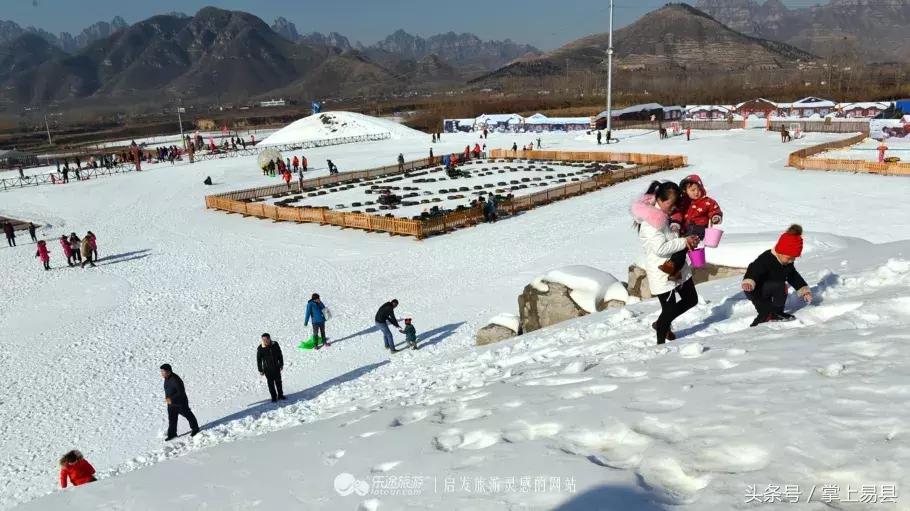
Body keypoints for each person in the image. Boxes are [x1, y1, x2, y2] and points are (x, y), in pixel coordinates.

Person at [631, 181, 700, 344]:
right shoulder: (651, 223)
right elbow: (660, 248)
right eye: (672, 204)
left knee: (691, 299)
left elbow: (668, 238)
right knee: (668, 311)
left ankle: (661, 324)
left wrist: (684, 238)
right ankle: (660, 344)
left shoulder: (661, 216)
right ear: (663, 201)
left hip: (676, 266)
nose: (674, 208)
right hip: (662, 271)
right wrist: (683, 242)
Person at [742, 224, 812, 327]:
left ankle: (777, 313)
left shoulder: (787, 263)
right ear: (780, 251)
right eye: (789, 258)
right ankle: (754, 328)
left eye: (793, 258)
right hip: (756, 290)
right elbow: (754, 269)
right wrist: (749, 281)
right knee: (766, 312)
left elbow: (793, 276)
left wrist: (804, 290)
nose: (791, 261)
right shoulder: (766, 258)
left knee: (781, 286)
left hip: (773, 288)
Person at [666, 175, 723, 275]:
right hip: (684, 230)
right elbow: (677, 213)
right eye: (692, 190)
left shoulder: (707, 202)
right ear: (685, 191)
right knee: (680, 247)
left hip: (698, 229)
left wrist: (715, 217)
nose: (696, 192)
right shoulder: (683, 202)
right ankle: (676, 269)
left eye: (698, 189)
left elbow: (715, 210)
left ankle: (672, 266)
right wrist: (675, 222)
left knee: (684, 245)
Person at [160, 364, 200, 440]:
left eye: (163, 371)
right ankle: (172, 434)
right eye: (161, 371)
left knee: (188, 415)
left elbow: (181, 392)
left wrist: (171, 399)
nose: (161, 373)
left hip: (180, 403)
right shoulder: (166, 378)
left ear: (168, 371)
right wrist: (169, 400)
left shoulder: (175, 379)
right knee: (172, 419)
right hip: (171, 404)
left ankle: (195, 429)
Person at [257, 334, 286, 402]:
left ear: (269, 338)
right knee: (270, 384)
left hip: (276, 367)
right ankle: (274, 397)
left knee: (278, 382)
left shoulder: (275, 344)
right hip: (267, 369)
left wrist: (281, 364)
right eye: (263, 340)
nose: (265, 341)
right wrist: (260, 370)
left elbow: (280, 354)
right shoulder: (261, 348)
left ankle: (280, 395)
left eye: (266, 339)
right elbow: (259, 360)